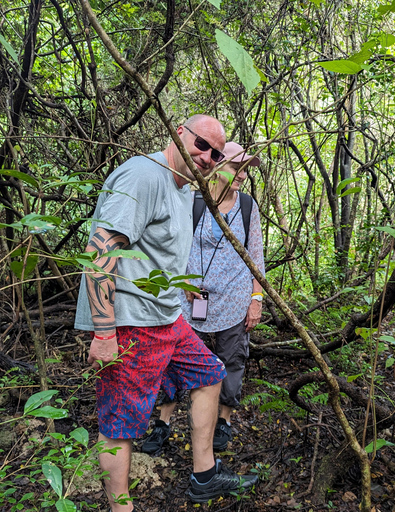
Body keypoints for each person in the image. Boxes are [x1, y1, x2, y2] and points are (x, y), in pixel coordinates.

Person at [74, 116, 258, 511]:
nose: (206, 157)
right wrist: (104, 333)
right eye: (201, 145)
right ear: (178, 132)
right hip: (131, 324)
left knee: (210, 374)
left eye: (215, 152)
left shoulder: (182, 188)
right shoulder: (144, 175)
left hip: (167, 319)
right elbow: (100, 251)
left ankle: (204, 476)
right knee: (120, 426)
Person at [140, 141, 265, 455]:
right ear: (220, 166)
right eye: (237, 167)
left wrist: (256, 300)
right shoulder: (193, 201)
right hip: (191, 301)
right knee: (174, 360)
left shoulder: (248, 206)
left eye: (246, 169)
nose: (242, 175)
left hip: (234, 302)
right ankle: (163, 422)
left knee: (232, 361)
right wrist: (182, 284)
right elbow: (174, 248)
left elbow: (256, 257)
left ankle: (223, 420)